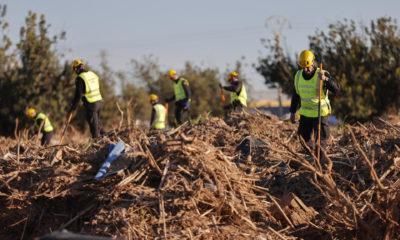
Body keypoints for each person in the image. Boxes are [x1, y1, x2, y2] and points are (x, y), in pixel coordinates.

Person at [290, 50, 340, 158]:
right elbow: (295, 95)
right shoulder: (298, 76)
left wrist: (326, 79)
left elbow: (337, 89)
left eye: (308, 66)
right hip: (305, 115)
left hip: (320, 114)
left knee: (320, 143)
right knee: (303, 140)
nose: (306, 69)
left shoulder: (322, 73)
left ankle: (320, 164)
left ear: (313, 62)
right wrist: (292, 112)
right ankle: (312, 157)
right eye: (303, 67)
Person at [70, 59, 105, 138]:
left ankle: (96, 141)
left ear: (76, 68)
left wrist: (73, 106)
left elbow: (78, 95)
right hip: (99, 101)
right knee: (97, 122)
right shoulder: (93, 74)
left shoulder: (80, 78)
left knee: (93, 124)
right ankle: (104, 136)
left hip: (91, 103)